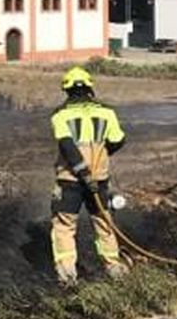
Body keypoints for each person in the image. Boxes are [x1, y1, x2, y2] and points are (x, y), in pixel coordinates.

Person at [49, 66, 128, 286]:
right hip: (99, 180)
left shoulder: (60, 115)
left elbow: (67, 146)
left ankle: (67, 275)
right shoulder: (107, 113)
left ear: (67, 91)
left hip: (70, 180)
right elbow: (119, 139)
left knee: (64, 225)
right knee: (104, 222)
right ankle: (114, 268)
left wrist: (82, 172)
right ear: (90, 88)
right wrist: (102, 155)